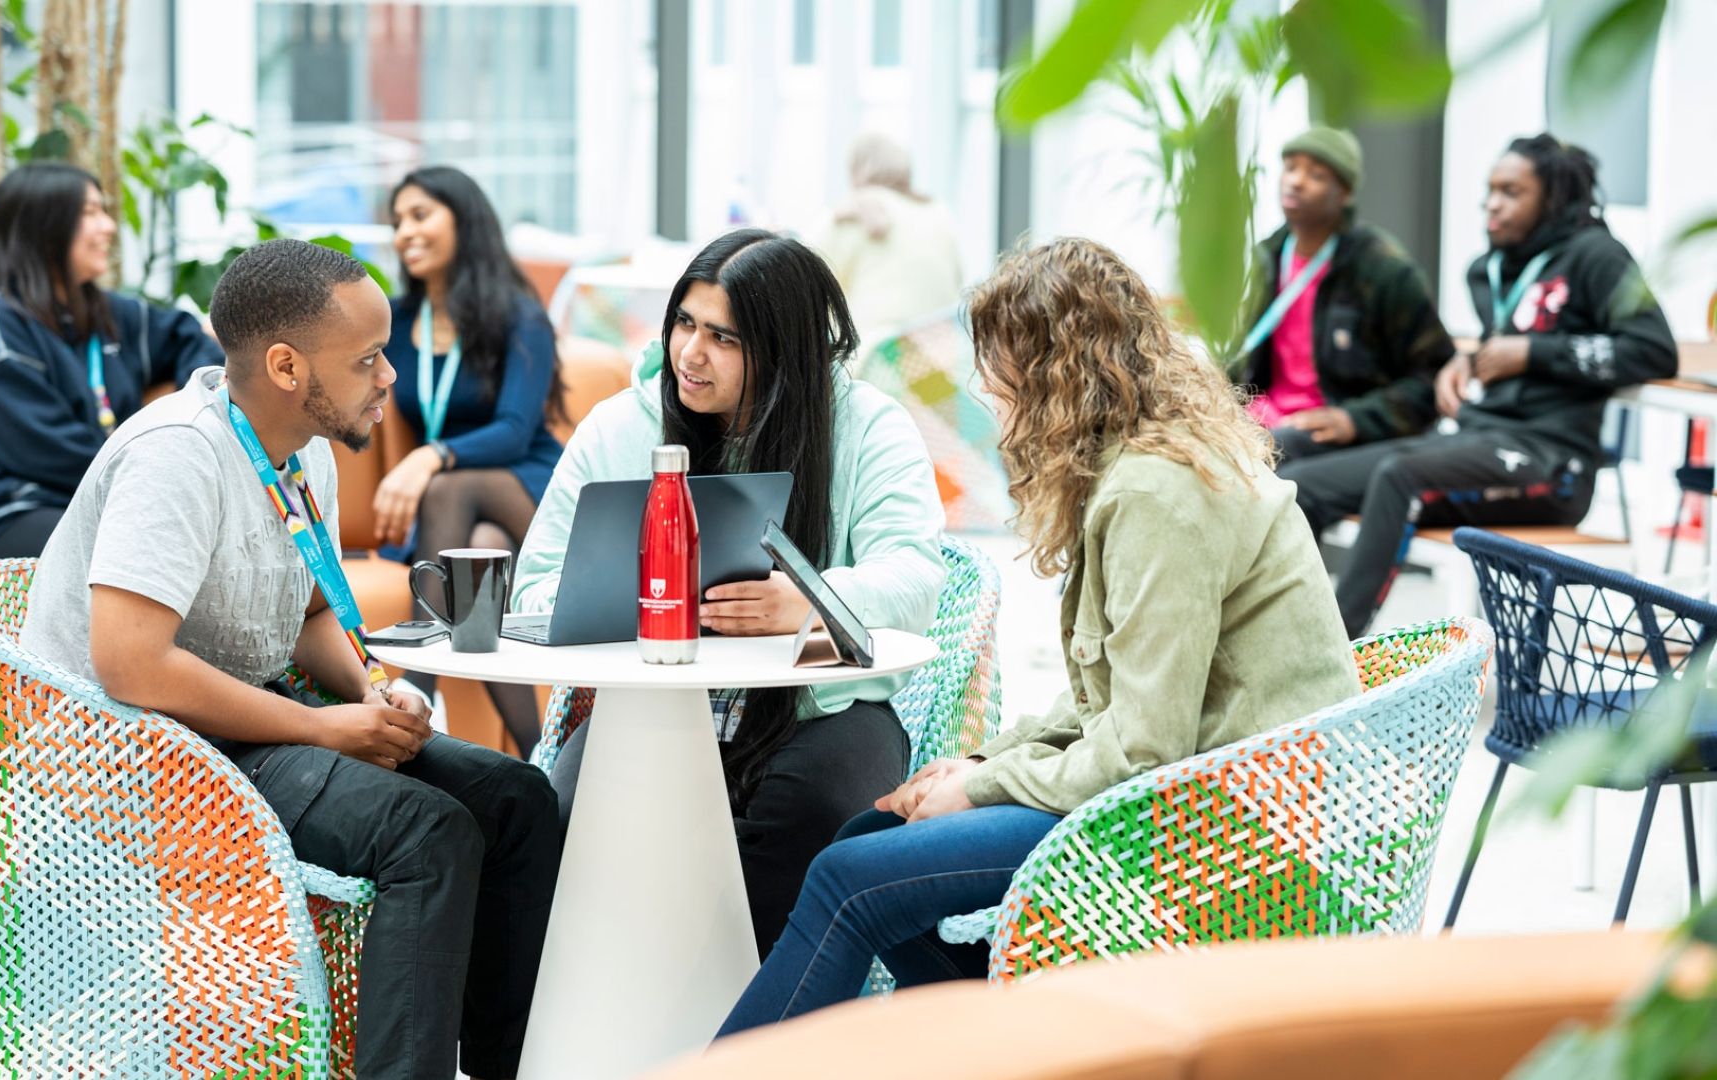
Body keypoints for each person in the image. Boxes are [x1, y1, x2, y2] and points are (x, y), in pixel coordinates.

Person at [714, 236, 1361, 1036]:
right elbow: (1113, 697)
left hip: (1225, 827)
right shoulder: (1142, 465)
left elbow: (1145, 746)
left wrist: (981, 787)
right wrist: (985, 762)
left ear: (1057, 374)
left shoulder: (1156, 494)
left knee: (851, 878)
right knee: (871, 837)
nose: (986, 388)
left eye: (1001, 365)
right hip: (1195, 791)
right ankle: (1017, 1045)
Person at [16, 238, 561, 1080]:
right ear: (284, 365)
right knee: (427, 831)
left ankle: (503, 1065)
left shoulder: (303, 446)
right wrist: (320, 727)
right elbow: (130, 665)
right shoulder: (178, 455)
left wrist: (374, 691)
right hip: (129, 756)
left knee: (516, 797)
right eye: (370, 359)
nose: (390, 378)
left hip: (232, 725)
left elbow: (309, 614)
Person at [514, 228, 946, 957]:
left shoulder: (870, 428)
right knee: (568, 827)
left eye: (724, 337)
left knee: (816, 817)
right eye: (684, 323)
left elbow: (913, 576)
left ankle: (747, 1034)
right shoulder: (624, 426)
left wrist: (811, 600)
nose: (691, 353)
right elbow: (535, 589)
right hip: (657, 704)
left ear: (784, 349)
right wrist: (645, 598)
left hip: (820, 709)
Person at [1279, 134, 1677, 637]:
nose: (1492, 204)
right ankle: (1288, 640)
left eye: (1511, 192)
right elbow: (1513, 336)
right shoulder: (1492, 270)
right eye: (1489, 191)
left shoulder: (1596, 256)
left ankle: (1332, 655)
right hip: (1474, 440)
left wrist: (1532, 352)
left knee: (1401, 476)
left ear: (1552, 197)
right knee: (1300, 483)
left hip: (1551, 462)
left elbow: (1655, 349)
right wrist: (1467, 361)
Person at [0, 161, 222, 572]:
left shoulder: (105, 313)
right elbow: (52, 453)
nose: (109, 227)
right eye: (90, 213)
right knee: (155, 549)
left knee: (183, 542)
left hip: (83, 501)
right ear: (43, 229)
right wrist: (160, 472)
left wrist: (196, 408)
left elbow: (187, 337)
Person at [370, 165, 566, 756]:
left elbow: (512, 429)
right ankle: (541, 760)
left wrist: (430, 457)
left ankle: (417, 684)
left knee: (450, 495)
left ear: (465, 219)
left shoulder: (519, 315)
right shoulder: (398, 322)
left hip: (524, 483)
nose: (406, 232)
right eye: (398, 220)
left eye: (421, 215)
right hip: (453, 516)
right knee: (475, 552)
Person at [1229, 127, 1455, 461]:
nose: (1296, 182)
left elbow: (1431, 377)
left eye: (1316, 175)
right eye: (1290, 168)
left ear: (1344, 193)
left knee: (1252, 463)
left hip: (1323, 429)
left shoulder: (1383, 269)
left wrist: (1354, 419)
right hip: (1261, 417)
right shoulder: (1268, 258)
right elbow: (1244, 360)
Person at [812, 133, 964, 345]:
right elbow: (957, 281)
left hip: (872, 359)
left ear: (857, 169)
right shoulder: (938, 211)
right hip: (939, 357)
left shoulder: (851, 212)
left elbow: (808, 284)